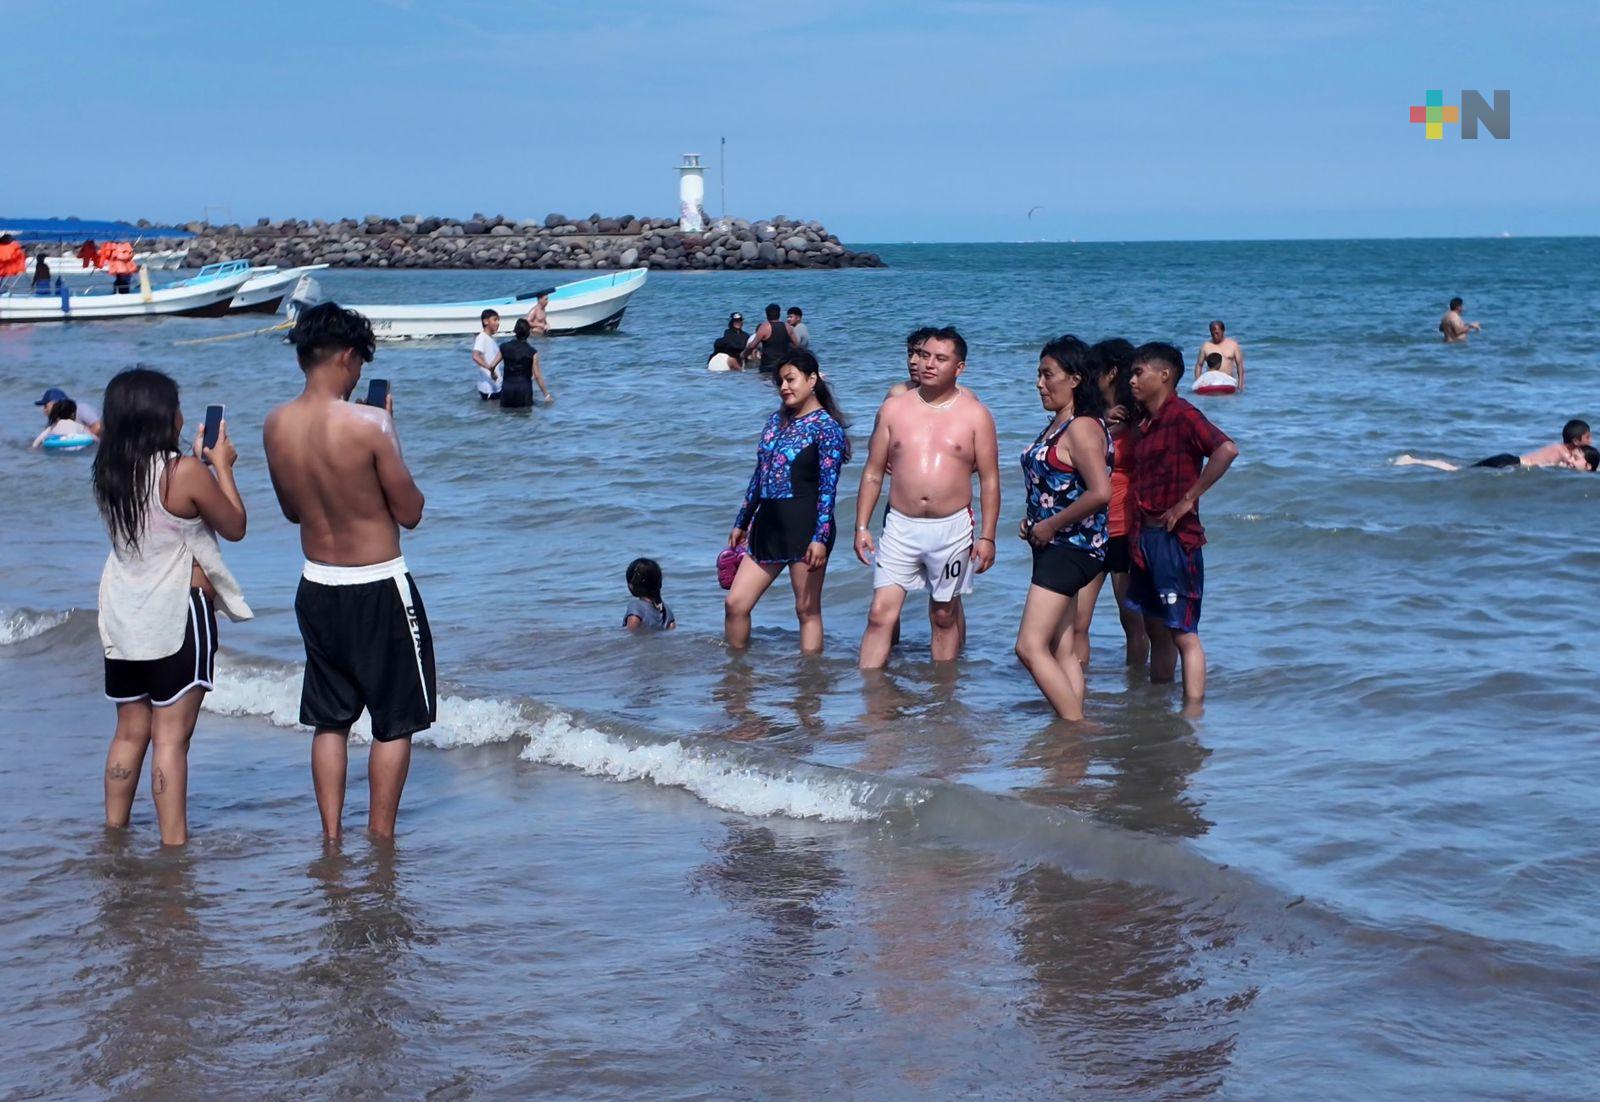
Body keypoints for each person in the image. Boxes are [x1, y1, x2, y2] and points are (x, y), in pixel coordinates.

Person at [263, 303, 433, 841]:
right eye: (359, 363)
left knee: (330, 718)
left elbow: (294, 511)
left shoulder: (276, 424)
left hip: (316, 584)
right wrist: (390, 432)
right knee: (395, 719)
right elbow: (410, 511)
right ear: (348, 356)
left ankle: (331, 839)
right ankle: (380, 839)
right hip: (378, 584)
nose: (359, 373)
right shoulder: (371, 423)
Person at [93, 366, 251, 846]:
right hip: (177, 614)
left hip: (123, 613)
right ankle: (173, 847)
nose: (182, 415)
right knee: (170, 739)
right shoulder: (182, 471)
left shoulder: (110, 469)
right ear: (160, 415)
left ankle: (114, 835)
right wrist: (221, 465)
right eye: (176, 406)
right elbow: (235, 525)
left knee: (128, 732)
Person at [854, 326, 1000, 667]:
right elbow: (874, 472)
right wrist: (861, 526)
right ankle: (869, 707)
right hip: (900, 526)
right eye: (925, 356)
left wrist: (988, 536)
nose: (929, 364)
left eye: (941, 358)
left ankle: (943, 702)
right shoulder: (894, 408)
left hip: (952, 528)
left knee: (944, 614)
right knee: (879, 614)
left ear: (959, 367)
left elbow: (990, 480)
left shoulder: (975, 414)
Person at [1122, 342, 1239, 704]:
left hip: (1176, 539)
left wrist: (1187, 500)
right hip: (1146, 539)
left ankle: (1192, 717)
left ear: (1165, 375)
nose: (1132, 380)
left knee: (1184, 633)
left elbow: (1226, 449)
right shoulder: (1143, 421)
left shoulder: (1183, 415)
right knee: (1156, 628)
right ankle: (1158, 707)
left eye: (1139, 372)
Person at [724, 349, 851, 653]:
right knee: (735, 604)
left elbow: (827, 488)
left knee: (806, 611)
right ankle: (736, 677)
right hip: (767, 524)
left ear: (812, 380)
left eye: (791, 379)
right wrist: (742, 521)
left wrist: (820, 538)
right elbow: (760, 474)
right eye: (780, 381)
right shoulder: (774, 421)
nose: (784, 387)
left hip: (805, 526)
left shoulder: (826, 428)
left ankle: (808, 689)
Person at [1013, 336, 1112, 721]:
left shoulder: (1082, 427)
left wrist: (1050, 524)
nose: (1039, 383)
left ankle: (1076, 728)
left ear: (1075, 378)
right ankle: (1071, 741)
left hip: (1072, 548)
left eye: (1047, 374)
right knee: (1063, 648)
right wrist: (1034, 522)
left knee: (1028, 647)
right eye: (1038, 374)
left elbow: (1101, 492)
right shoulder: (1058, 424)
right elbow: (1059, 486)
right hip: (1057, 546)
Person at [1072, 338, 1148, 668]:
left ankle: (1137, 698)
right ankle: (1076, 689)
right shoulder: (1087, 415)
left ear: (1111, 372)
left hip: (1124, 528)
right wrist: (1103, 419)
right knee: (1077, 623)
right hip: (1089, 527)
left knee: (1132, 621)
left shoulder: (1139, 417)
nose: (1089, 377)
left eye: (1094, 370)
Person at [1397, 419, 1594, 471]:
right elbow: (1578, 466)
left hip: (1508, 460)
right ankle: (1414, 462)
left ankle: (1417, 461)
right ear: (1576, 442)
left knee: (1459, 469)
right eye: (1588, 438)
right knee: (1456, 471)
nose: (1591, 441)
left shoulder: (1558, 448)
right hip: (1508, 463)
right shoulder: (1563, 452)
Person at [498, 318, 552, 407]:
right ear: (528, 333)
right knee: (525, 416)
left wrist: (492, 373)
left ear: (515, 331)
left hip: (507, 389)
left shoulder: (504, 347)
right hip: (524, 390)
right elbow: (537, 376)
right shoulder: (532, 352)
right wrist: (546, 395)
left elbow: (492, 365)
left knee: (506, 415)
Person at [623, 558, 676, 631]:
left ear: (631, 586)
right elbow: (672, 633)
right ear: (659, 583)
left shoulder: (636, 607)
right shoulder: (666, 610)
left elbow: (631, 634)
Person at [35, 385, 103, 437]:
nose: (44, 410)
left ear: (55, 403)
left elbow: (98, 426)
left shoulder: (81, 409)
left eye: (45, 406)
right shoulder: (55, 420)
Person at [1194, 320, 1244, 389]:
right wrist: (1198, 382)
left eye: (1217, 333)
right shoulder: (1206, 346)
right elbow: (1199, 365)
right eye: (1212, 333)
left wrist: (1240, 385)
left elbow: (1240, 366)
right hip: (1211, 383)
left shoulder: (1233, 345)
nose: (1215, 336)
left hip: (1228, 383)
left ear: (1223, 331)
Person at [751, 303, 794, 377]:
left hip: (767, 367)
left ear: (767, 315)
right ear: (779, 314)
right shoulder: (787, 327)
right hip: (782, 366)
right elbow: (796, 344)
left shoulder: (764, 327)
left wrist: (743, 353)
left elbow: (752, 346)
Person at [472, 309, 503, 399]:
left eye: (498, 320)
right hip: (489, 389)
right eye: (495, 320)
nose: (497, 323)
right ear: (485, 321)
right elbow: (475, 356)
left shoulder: (490, 339)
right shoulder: (482, 337)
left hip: (494, 386)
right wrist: (490, 368)